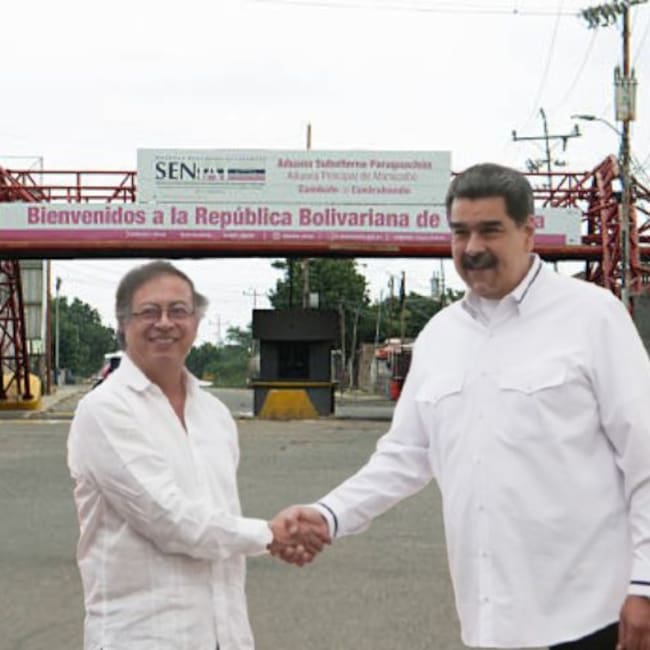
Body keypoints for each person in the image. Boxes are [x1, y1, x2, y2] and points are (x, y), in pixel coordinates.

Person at [274, 163, 650, 650]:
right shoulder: (441, 335)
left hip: (593, 616)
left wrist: (645, 584)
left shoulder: (592, 317)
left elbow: (644, 457)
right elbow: (405, 455)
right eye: (460, 232)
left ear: (528, 232)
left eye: (490, 230)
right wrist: (328, 514)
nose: (472, 247)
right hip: (488, 619)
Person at [67, 260, 328, 650]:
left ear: (196, 322)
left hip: (225, 632)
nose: (165, 323)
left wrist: (269, 537)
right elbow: (166, 517)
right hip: (142, 636)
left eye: (178, 310)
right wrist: (268, 535)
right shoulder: (105, 410)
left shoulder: (214, 415)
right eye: (149, 312)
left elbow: (217, 514)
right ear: (123, 324)